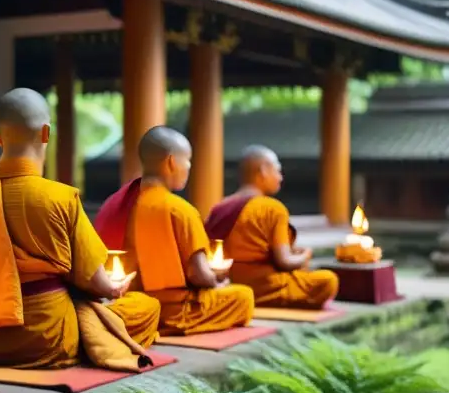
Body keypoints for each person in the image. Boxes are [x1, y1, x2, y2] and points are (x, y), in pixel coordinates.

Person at [0, 88, 161, 371]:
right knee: (145, 307)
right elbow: (95, 282)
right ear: (46, 133)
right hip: (48, 339)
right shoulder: (61, 197)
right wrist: (114, 288)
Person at [95, 126, 254, 335]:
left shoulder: (115, 203)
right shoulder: (179, 209)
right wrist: (217, 280)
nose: (189, 167)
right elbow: (198, 275)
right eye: (188, 161)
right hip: (174, 311)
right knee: (243, 296)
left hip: (129, 305)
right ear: (171, 162)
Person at [206, 145, 339, 309]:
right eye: (277, 171)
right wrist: (306, 255)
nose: (280, 177)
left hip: (228, 283)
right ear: (263, 170)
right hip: (266, 286)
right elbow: (285, 262)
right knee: (328, 280)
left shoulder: (219, 208)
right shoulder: (273, 208)